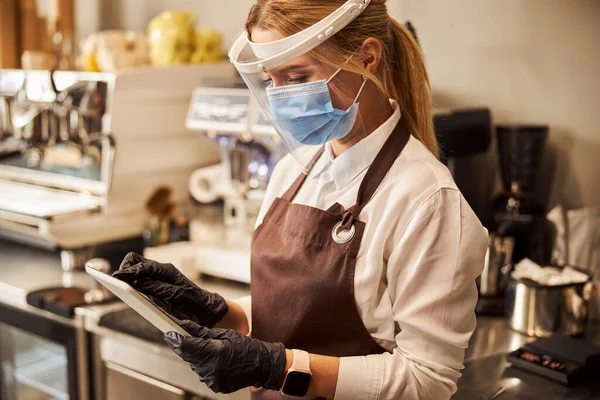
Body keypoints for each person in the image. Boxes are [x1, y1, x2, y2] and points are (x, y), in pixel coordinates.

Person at [113, 0, 488, 399]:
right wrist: (220, 311)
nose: (282, 98)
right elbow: (295, 314)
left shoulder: (426, 201)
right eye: (272, 80)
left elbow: (426, 382)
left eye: (297, 76)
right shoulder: (294, 170)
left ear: (368, 57)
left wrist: (278, 367)